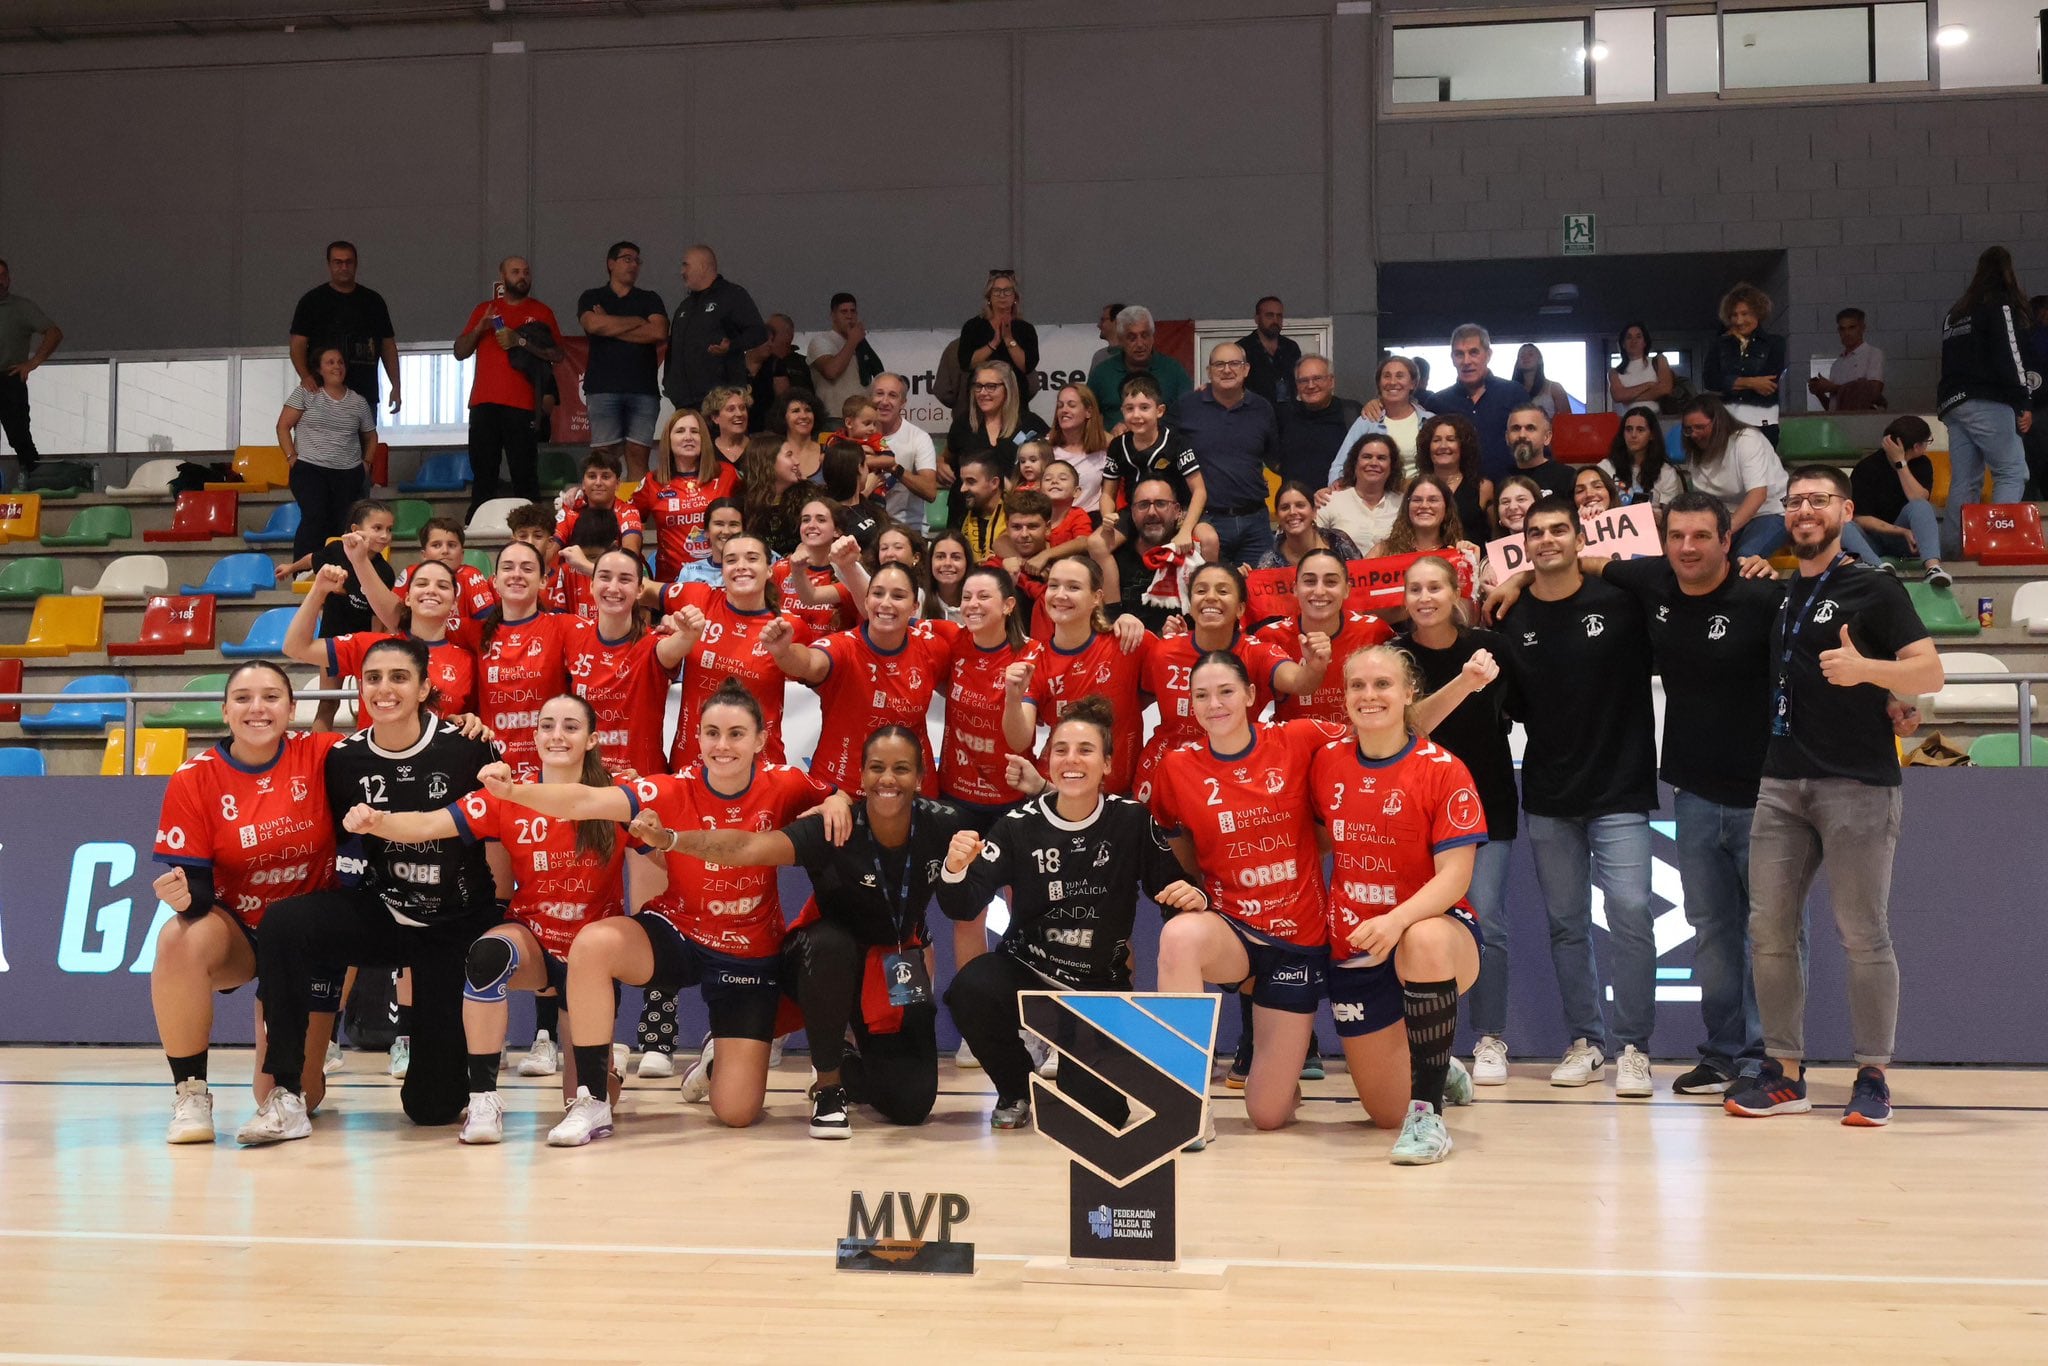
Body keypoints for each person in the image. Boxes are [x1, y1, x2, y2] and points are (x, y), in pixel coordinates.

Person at [482, 681, 843, 1142]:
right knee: (594, 943)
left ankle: (718, 1058)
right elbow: (583, 801)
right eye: (711, 733)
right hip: (679, 932)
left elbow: (837, 791)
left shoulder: (785, 782)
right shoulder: (671, 788)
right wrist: (514, 792)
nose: (722, 745)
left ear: (760, 738)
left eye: (736, 734)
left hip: (748, 954)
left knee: (735, 1113)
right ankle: (591, 1100)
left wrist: (836, 799)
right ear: (698, 737)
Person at [1726, 466, 1943, 1127]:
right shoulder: (1789, 589)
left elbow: (1929, 670)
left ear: (1845, 510)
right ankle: (1785, 1073)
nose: (1804, 511)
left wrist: (1869, 674)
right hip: (1782, 780)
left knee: (1862, 934)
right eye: (1794, 503)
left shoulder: (1873, 587)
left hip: (1858, 784)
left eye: (1818, 500)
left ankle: (1873, 1076)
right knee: (1768, 933)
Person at [340, 694, 640, 1143]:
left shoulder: (617, 796)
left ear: (592, 739)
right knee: (486, 955)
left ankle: (603, 1073)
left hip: (590, 955)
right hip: (533, 941)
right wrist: (376, 821)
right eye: (547, 725)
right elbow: (428, 824)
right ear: (535, 735)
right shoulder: (507, 795)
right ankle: (483, 1100)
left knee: (587, 1097)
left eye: (571, 727)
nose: (557, 735)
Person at [650, 726, 972, 1137]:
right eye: (876, 768)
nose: (888, 779)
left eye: (901, 769)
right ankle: (828, 1089)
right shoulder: (832, 825)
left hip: (893, 968)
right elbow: (749, 849)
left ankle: (850, 1063)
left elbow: (973, 889)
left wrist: (962, 868)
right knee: (832, 945)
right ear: (860, 776)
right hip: (817, 966)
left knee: (911, 1106)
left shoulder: (945, 825)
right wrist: (673, 839)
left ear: (921, 778)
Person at [239, 639, 501, 1142]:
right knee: (286, 923)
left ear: (425, 687)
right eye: (373, 677)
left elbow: (501, 830)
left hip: (453, 925)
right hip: (385, 913)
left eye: (399, 677)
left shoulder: (468, 746)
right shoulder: (344, 759)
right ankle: (287, 1093)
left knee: (431, 1108)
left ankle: (463, 1073)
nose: (385, 689)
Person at [939, 702, 1207, 1128]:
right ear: (1048, 761)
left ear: (1107, 763)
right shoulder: (1017, 825)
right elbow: (963, 904)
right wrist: (954, 869)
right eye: (1061, 750)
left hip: (1096, 985)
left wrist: (1192, 897)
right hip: (1028, 969)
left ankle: (1073, 1055)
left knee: (1099, 1116)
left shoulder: (1132, 821)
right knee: (971, 989)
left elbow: (1171, 889)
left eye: (1085, 750)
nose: (1072, 760)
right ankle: (1015, 1087)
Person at [1491, 496, 1658, 1095]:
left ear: (1578, 536)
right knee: (1566, 924)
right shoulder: (1510, 615)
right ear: (1524, 542)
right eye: (1535, 533)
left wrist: (1599, 563)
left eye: (1559, 530)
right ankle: (1586, 1042)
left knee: (1633, 914)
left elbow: (1662, 579)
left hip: (1620, 787)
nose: (1546, 541)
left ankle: (1635, 1047)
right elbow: (1506, 703)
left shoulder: (1620, 601)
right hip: (1549, 790)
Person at [1151, 652, 1349, 1139]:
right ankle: (1185, 1106)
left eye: (1224, 692)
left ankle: (1280, 1081)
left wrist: (1463, 686)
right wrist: (1196, 894)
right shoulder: (1176, 768)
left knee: (1267, 1114)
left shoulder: (1296, 739)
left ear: (1249, 696)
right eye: (1201, 695)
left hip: (1296, 941)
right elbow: (1180, 852)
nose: (1213, 703)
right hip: (1233, 932)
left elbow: (1388, 734)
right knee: (1179, 936)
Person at [151, 663, 346, 1144]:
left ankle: (292, 1053)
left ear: (292, 708)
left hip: (310, 935)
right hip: (242, 929)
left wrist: (464, 723)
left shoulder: (323, 754)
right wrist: (181, 894)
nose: (257, 708)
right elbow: (197, 892)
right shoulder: (195, 777)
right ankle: (191, 1093)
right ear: (224, 710)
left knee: (293, 1095)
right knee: (178, 938)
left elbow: (398, 743)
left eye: (271, 696)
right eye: (242, 697)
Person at [1313, 644, 1487, 1163]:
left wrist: (1396, 919)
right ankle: (1438, 1061)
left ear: (1410, 691)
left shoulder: (1444, 769)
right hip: (1356, 941)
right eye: (1358, 686)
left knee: (1423, 936)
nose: (1369, 696)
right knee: (1383, 1112)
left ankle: (1428, 1116)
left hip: (1433, 933)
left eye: (1383, 685)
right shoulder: (1325, 761)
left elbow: (1455, 878)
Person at [1397, 555, 1516, 1085]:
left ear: (1456, 593)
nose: (1425, 598)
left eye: (1435, 588)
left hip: (1484, 807)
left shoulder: (1489, 649)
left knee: (1485, 922)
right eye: (1415, 589)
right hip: (1408, 817)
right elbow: (1409, 727)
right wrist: (1464, 685)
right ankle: (1422, 1045)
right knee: (1414, 930)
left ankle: (1490, 1038)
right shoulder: (1397, 658)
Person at [1132, 559, 1329, 803]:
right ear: (1190, 604)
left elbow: (1300, 682)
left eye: (1223, 591)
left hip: (1234, 772)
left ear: (1240, 609)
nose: (1211, 597)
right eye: (1201, 590)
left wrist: (1315, 666)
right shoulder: (1163, 651)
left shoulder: (1258, 652)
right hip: (1165, 769)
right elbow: (1137, 701)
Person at [761, 563, 950, 793]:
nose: (886, 603)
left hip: (913, 791)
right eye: (878, 593)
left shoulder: (933, 647)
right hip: (841, 793)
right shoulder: (843, 647)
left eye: (898, 596)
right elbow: (809, 662)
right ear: (866, 600)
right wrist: (783, 651)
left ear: (914, 607)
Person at [661, 532, 810, 770]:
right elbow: (639, 589)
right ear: (722, 570)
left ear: (770, 569)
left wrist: (785, 653)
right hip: (692, 763)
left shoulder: (787, 627)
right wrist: (668, 624)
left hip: (760, 767)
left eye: (751, 559)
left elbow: (815, 671)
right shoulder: (698, 598)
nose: (741, 567)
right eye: (731, 560)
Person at [1936, 244, 2036, 556]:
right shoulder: (1999, 306)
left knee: (1964, 481)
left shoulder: (1955, 313)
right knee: (2011, 471)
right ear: (2008, 272)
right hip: (1986, 399)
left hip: (1953, 402)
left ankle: (1953, 551)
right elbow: (2011, 356)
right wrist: (2023, 401)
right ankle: (1997, 545)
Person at [287, 559, 478, 721]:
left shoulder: (468, 662)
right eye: (421, 584)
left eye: (442, 586)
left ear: (454, 601)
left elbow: (467, 721)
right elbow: (296, 648)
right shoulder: (370, 646)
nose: (431, 590)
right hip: (372, 763)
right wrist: (318, 591)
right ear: (408, 598)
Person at [562, 548, 691, 779]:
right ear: (590, 585)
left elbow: (680, 643)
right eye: (604, 577)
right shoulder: (571, 634)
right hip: (585, 782)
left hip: (642, 784)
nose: (613, 588)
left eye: (625, 579)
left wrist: (689, 632)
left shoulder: (655, 645)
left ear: (640, 590)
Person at [1034, 556, 1152, 794]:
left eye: (1073, 587)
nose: (1060, 594)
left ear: (1096, 598)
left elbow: (1163, 691)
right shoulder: (1035, 658)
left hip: (1118, 793)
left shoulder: (1127, 642)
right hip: (1056, 791)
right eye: (1053, 585)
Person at [455, 256, 562, 513]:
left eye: (526, 272)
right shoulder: (485, 309)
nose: (522, 276)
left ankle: (532, 527)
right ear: (502, 277)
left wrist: (520, 342)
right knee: (484, 472)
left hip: (522, 404)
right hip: (483, 402)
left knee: (524, 472)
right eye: (515, 272)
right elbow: (460, 351)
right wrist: (480, 328)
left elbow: (558, 354)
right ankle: (478, 526)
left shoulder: (542, 311)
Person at [1362, 326, 1524, 484]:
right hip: (1454, 496)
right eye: (1459, 354)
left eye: (1473, 352)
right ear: (1452, 358)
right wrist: (1380, 403)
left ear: (1488, 355)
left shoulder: (1514, 393)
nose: (1466, 361)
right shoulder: (1438, 403)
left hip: (1509, 491)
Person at [1254, 548, 1393, 725]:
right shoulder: (1269, 637)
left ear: (1347, 590)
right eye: (1310, 581)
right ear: (1295, 589)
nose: (1319, 591)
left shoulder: (1374, 631)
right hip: (1296, 746)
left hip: (1358, 745)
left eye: (1331, 582)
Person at [1175, 342, 1280, 565]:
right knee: (1212, 590)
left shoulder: (1262, 408)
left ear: (1246, 369)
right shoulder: (1187, 406)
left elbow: (1275, 459)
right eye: (1219, 364)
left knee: (1259, 592)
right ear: (1208, 371)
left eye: (1234, 363)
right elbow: (1158, 439)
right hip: (1207, 521)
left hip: (1256, 523)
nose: (1227, 370)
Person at [577, 240, 668, 479]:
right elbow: (593, 324)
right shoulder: (592, 297)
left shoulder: (650, 298)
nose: (634, 265)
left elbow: (658, 332)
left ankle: (635, 514)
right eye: (627, 259)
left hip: (643, 390)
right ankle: (603, 514)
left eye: (637, 260)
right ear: (611, 263)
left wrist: (610, 323)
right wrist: (638, 321)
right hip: (603, 389)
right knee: (603, 458)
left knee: (639, 456)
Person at [276, 345, 376, 564]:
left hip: (348, 473)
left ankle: (341, 573)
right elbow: (283, 426)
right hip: (310, 469)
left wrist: (366, 462)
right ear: (319, 369)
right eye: (330, 362)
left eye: (340, 362)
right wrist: (292, 457)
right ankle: (303, 572)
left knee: (343, 523)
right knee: (314, 518)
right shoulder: (306, 393)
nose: (336, 366)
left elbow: (371, 435)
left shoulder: (358, 402)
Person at [1099, 373, 1213, 559]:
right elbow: (1106, 494)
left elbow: (1199, 491)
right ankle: (1111, 590)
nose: (1136, 415)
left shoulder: (1177, 442)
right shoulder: (1117, 446)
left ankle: (1207, 586)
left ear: (1159, 411)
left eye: (1144, 408)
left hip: (1177, 511)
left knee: (1208, 539)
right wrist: (1107, 516)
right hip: (1138, 511)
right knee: (1097, 544)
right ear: (1122, 411)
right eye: (1129, 408)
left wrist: (1185, 530)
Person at [288, 240, 397, 415]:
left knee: (365, 441)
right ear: (329, 265)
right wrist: (306, 376)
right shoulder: (312, 301)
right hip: (322, 394)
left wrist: (396, 385)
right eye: (338, 262)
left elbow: (388, 347)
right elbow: (297, 345)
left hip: (363, 395)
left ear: (356, 264)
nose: (344, 267)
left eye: (348, 262)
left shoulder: (374, 302)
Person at [635, 407, 739, 582]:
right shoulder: (652, 481)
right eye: (680, 431)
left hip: (723, 581)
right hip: (671, 584)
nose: (688, 437)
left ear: (703, 439)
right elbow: (623, 515)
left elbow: (756, 502)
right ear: (668, 440)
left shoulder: (727, 474)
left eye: (695, 431)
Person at [1679, 395, 1791, 559]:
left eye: (1700, 427)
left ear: (1718, 423)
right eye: (1689, 429)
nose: (1694, 434)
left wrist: (1723, 533)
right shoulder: (1694, 452)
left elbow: (1758, 495)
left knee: (1743, 557)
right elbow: (1704, 501)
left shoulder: (1747, 440)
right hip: (1726, 515)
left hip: (1770, 512)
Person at [662, 244, 767, 413]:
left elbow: (758, 332)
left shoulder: (732, 295)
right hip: (684, 401)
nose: (682, 272)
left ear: (703, 266)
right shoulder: (685, 306)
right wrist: (669, 383)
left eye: (685, 265)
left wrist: (731, 346)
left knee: (720, 440)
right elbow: (673, 348)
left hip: (720, 399)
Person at [1851, 416, 1953, 588]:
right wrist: (1900, 531)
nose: (1927, 446)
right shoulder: (1866, 468)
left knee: (1920, 507)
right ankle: (1877, 566)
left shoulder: (1922, 464)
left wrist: (1901, 464)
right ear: (1916, 446)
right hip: (1872, 539)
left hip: (1908, 542)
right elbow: (1860, 518)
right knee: (1844, 526)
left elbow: (1918, 498)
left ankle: (1933, 568)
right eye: (1927, 442)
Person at [1094, 479, 1193, 635]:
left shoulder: (1195, 556)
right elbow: (1105, 621)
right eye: (1143, 505)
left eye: (1161, 504)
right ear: (1132, 514)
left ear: (1177, 511)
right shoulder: (1113, 559)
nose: (1152, 512)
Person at [0, 257, 63, 473]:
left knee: (20, 437)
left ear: (9, 279)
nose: (0, 280)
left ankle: (34, 481)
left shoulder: (21, 307)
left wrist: (33, 362)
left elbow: (53, 333)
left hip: (9, 377)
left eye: (3, 276)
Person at [1703, 282, 1787, 441]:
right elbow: (1710, 380)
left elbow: (1768, 384)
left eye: (1745, 313)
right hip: (1726, 423)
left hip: (1764, 422)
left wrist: (1730, 382)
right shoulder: (1719, 344)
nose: (1739, 320)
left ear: (1758, 313)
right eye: (1734, 315)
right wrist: (1751, 382)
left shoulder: (1775, 343)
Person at [1370, 474, 1482, 590]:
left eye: (1433, 500)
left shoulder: (1460, 554)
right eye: (1417, 500)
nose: (1424, 505)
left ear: (1446, 508)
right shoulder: (1382, 551)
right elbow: (1357, 595)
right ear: (1407, 507)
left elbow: (1467, 607)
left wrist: (1471, 566)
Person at [949, 364, 1047, 490]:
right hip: (967, 505)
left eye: (991, 386)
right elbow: (947, 457)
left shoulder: (1030, 423)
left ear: (1007, 388)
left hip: (1015, 506)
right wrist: (941, 464)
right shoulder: (963, 423)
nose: (983, 393)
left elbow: (1050, 460)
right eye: (978, 386)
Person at [1087, 305, 1192, 421]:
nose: (1140, 344)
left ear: (1153, 337)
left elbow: (1189, 414)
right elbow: (1086, 417)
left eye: (1145, 335)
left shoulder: (1173, 370)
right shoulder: (1102, 373)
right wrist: (1106, 435)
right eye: (1132, 337)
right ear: (1121, 340)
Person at [1277, 353, 1363, 491]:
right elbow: (1270, 454)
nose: (1311, 385)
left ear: (1331, 381)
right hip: (1297, 506)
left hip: (1339, 503)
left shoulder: (1352, 413)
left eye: (1317, 378)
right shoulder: (1285, 415)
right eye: (1303, 380)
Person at [1334, 356, 1432, 477]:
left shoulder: (1430, 422)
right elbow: (1339, 466)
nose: (1392, 382)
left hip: (1420, 493)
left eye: (1399, 376)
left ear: (1412, 383)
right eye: (1386, 376)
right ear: (1379, 383)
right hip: (1376, 493)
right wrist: (1337, 486)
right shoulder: (1367, 421)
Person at [870, 373, 939, 528]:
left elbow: (930, 491)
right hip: (865, 527)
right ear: (869, 397)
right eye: (879, 394)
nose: (884, 401)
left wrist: (894, 468)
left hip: (906, 528)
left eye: (892, 396)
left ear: (903, 403)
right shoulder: (856, 434)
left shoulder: (919, 438)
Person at [956, 270, 1039, 399]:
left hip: (1015, 398)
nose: (1002, 295)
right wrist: (993, 343)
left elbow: (1027, 366)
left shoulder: (1026, 329)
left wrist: (1008, 339)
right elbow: (966, 364)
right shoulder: (973, 326)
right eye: (996, 291)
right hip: (982, 398)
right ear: (989, 297)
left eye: (1007, 290)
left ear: (1015, 297)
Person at [395, 518, 497, 621]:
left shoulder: (471, 575)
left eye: (451, 545)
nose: (445, 551)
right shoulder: (411, 574)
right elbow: (393, 616)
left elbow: (486, 622)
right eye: (436, 545)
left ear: (462, 554)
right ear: (424, 555)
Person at [1317, 433, 1403, 552]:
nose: (1373, 463)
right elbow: (1312, 544)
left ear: (1392, 466)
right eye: (1367, 457)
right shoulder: (1330, 501)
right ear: (1354, 463)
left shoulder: (1403, 504)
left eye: (1381, 458)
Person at [808, 292, 884, 422]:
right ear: (833, 316)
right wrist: (852, 341)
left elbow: (879, 372)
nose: (849, 316)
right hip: (834, 417)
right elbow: (831, 371)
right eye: (844, 312)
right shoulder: (821, 341)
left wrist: (858, 341)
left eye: (853, 311)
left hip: (863, 416)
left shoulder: (860, 343)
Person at [1259, 481, 1361, 570]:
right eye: (1285, 507)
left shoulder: (1338, 541)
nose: (1292, 512)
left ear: (1314, 511)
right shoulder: (1269, 562)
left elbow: (1363, 579)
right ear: (1278, 517)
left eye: (1300, 505)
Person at [740, 432, 809, 557]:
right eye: (789, 455)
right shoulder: (742, 504)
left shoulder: (809, 497)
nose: (797, 462)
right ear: (768, 462)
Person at [1046, 384, 1112, 514]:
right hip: (1052, 521)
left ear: (1088, 412)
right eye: (1060, 406)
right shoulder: (1045, 448)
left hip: (1091, 520)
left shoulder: (1105, 450)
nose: (1064, 410)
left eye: (1071, 405)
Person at [1602, 405, 1683, 508]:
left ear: (1652, 435)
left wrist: (1657, 516)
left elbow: (1667, 515)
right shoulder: (1605, 467)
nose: (1633, 435)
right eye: (1628, 429)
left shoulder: (1666, 472)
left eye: (1640, 430)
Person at [1809, 307, 1886, 413]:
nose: (1847, 333)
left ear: (1862, 328)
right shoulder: (1837, 364)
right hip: (1839, 424)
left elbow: (1873, 393)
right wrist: (1819, 393)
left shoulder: (1873, 354)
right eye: (1842, 329)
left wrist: (1833, 388)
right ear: (1838, 331)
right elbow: (1834, 408)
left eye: (1852, 328)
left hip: (1864, 422)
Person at [746, 314, 814, 431]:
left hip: (768, 430)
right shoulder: (734, 365)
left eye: (772, 340)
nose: (770, 344)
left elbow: (784, 400)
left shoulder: (776, 364)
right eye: (766, 340)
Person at [1503, 406, 1579, 502]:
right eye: (1516, 429)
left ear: (1547, 437)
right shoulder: (1500, 477)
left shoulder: (1566, 477)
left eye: (1530, 428)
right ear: (1507, 437)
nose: (1522, 435)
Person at [1240, 296, 1302, 406]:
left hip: (1289, 415)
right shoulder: (1242, 349)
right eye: (1269, 315)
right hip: (1255, 413)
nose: (1275, 320)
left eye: (1279, 316)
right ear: (1257, 319)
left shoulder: (1291, 348)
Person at [955, 452, 1009, 564]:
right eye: (962, 482)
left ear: (994, 483)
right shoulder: (962, 517)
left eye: (971, 481)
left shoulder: (1015, 517)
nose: (962, 489)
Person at [1609, 322, 1674, 413]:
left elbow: (1665, 389)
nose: (1634, 341)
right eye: (1629, 337)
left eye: (1638, 337)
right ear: (1623, 344)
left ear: (1645, 342)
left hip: (1657, 419)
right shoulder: (1614, 372)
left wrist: (1628, 397)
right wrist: (1648, 385)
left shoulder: (1659, 360)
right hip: (1630, 420)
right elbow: (1618, 396)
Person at [1512, 344, 1574, 419]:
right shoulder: (1511, 390)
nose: (1525, 357)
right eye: (1521, 356)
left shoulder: (1554, 388)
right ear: (1517, 362)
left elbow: (1567, 420)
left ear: (1539, 360)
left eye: (1530, 354)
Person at [704, 384, 752, 475]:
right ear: (715, 417)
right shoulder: (707, 452)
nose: (739, 414)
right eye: (731, 409)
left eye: (742, 408)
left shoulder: (758, 449)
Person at [1090, 302, 1126, 370]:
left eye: (1103, 320)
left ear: (1117, 321)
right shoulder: (1099, 357)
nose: (1099, 325)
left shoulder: (1133, 356)